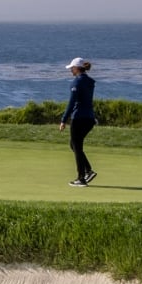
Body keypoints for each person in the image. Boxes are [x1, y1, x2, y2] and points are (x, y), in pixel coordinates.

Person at [60, 57, 99, 187]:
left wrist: (63, 120)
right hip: (90, 119)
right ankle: (88, 171)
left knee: (76, 146)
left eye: (72, 67)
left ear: (77, 68)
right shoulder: (89, 81)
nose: (70, 69)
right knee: (74, 145)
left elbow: (71, 103)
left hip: (79, 118)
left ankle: (81, 178)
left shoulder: (76, 83)